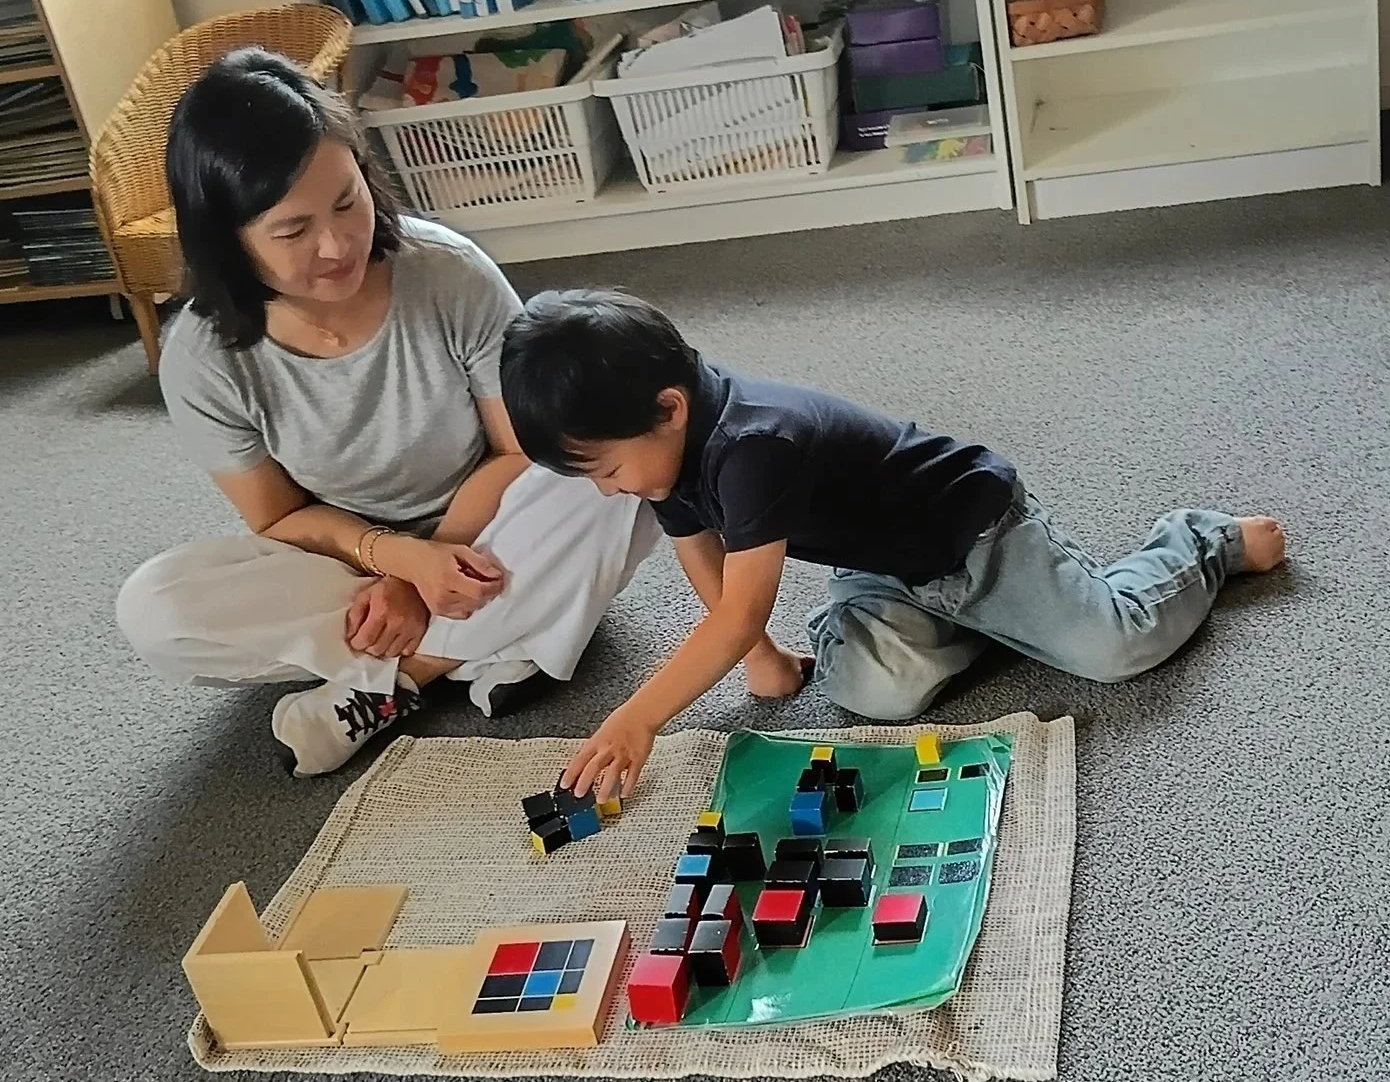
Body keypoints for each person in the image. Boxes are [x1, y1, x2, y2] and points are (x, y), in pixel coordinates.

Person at [498, 287, 1286, 799]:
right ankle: (997, 627)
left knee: (1117, 647)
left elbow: (735, 612)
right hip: (879, 564)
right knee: (872, 695)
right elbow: (698, 545)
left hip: (974, 531)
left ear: (669, 409)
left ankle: (1198, 540)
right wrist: (762, 660)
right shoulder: (664, 457)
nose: (608, 490)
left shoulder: (754, 442)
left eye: (605, 469)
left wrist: (637, 718)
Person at [115, 51, 656, 776]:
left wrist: (422, 579)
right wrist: (397, 561)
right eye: (292, 230)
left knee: (621, 464)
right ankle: (505, 640)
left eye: (346, 201)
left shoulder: (449, 273)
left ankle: (398, 682)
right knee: (156, 609)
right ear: (230, 240)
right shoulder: (202, 357)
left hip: (499, 524)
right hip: (350, 561)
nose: (338, 244)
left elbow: (519, 450)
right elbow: (277, 520)